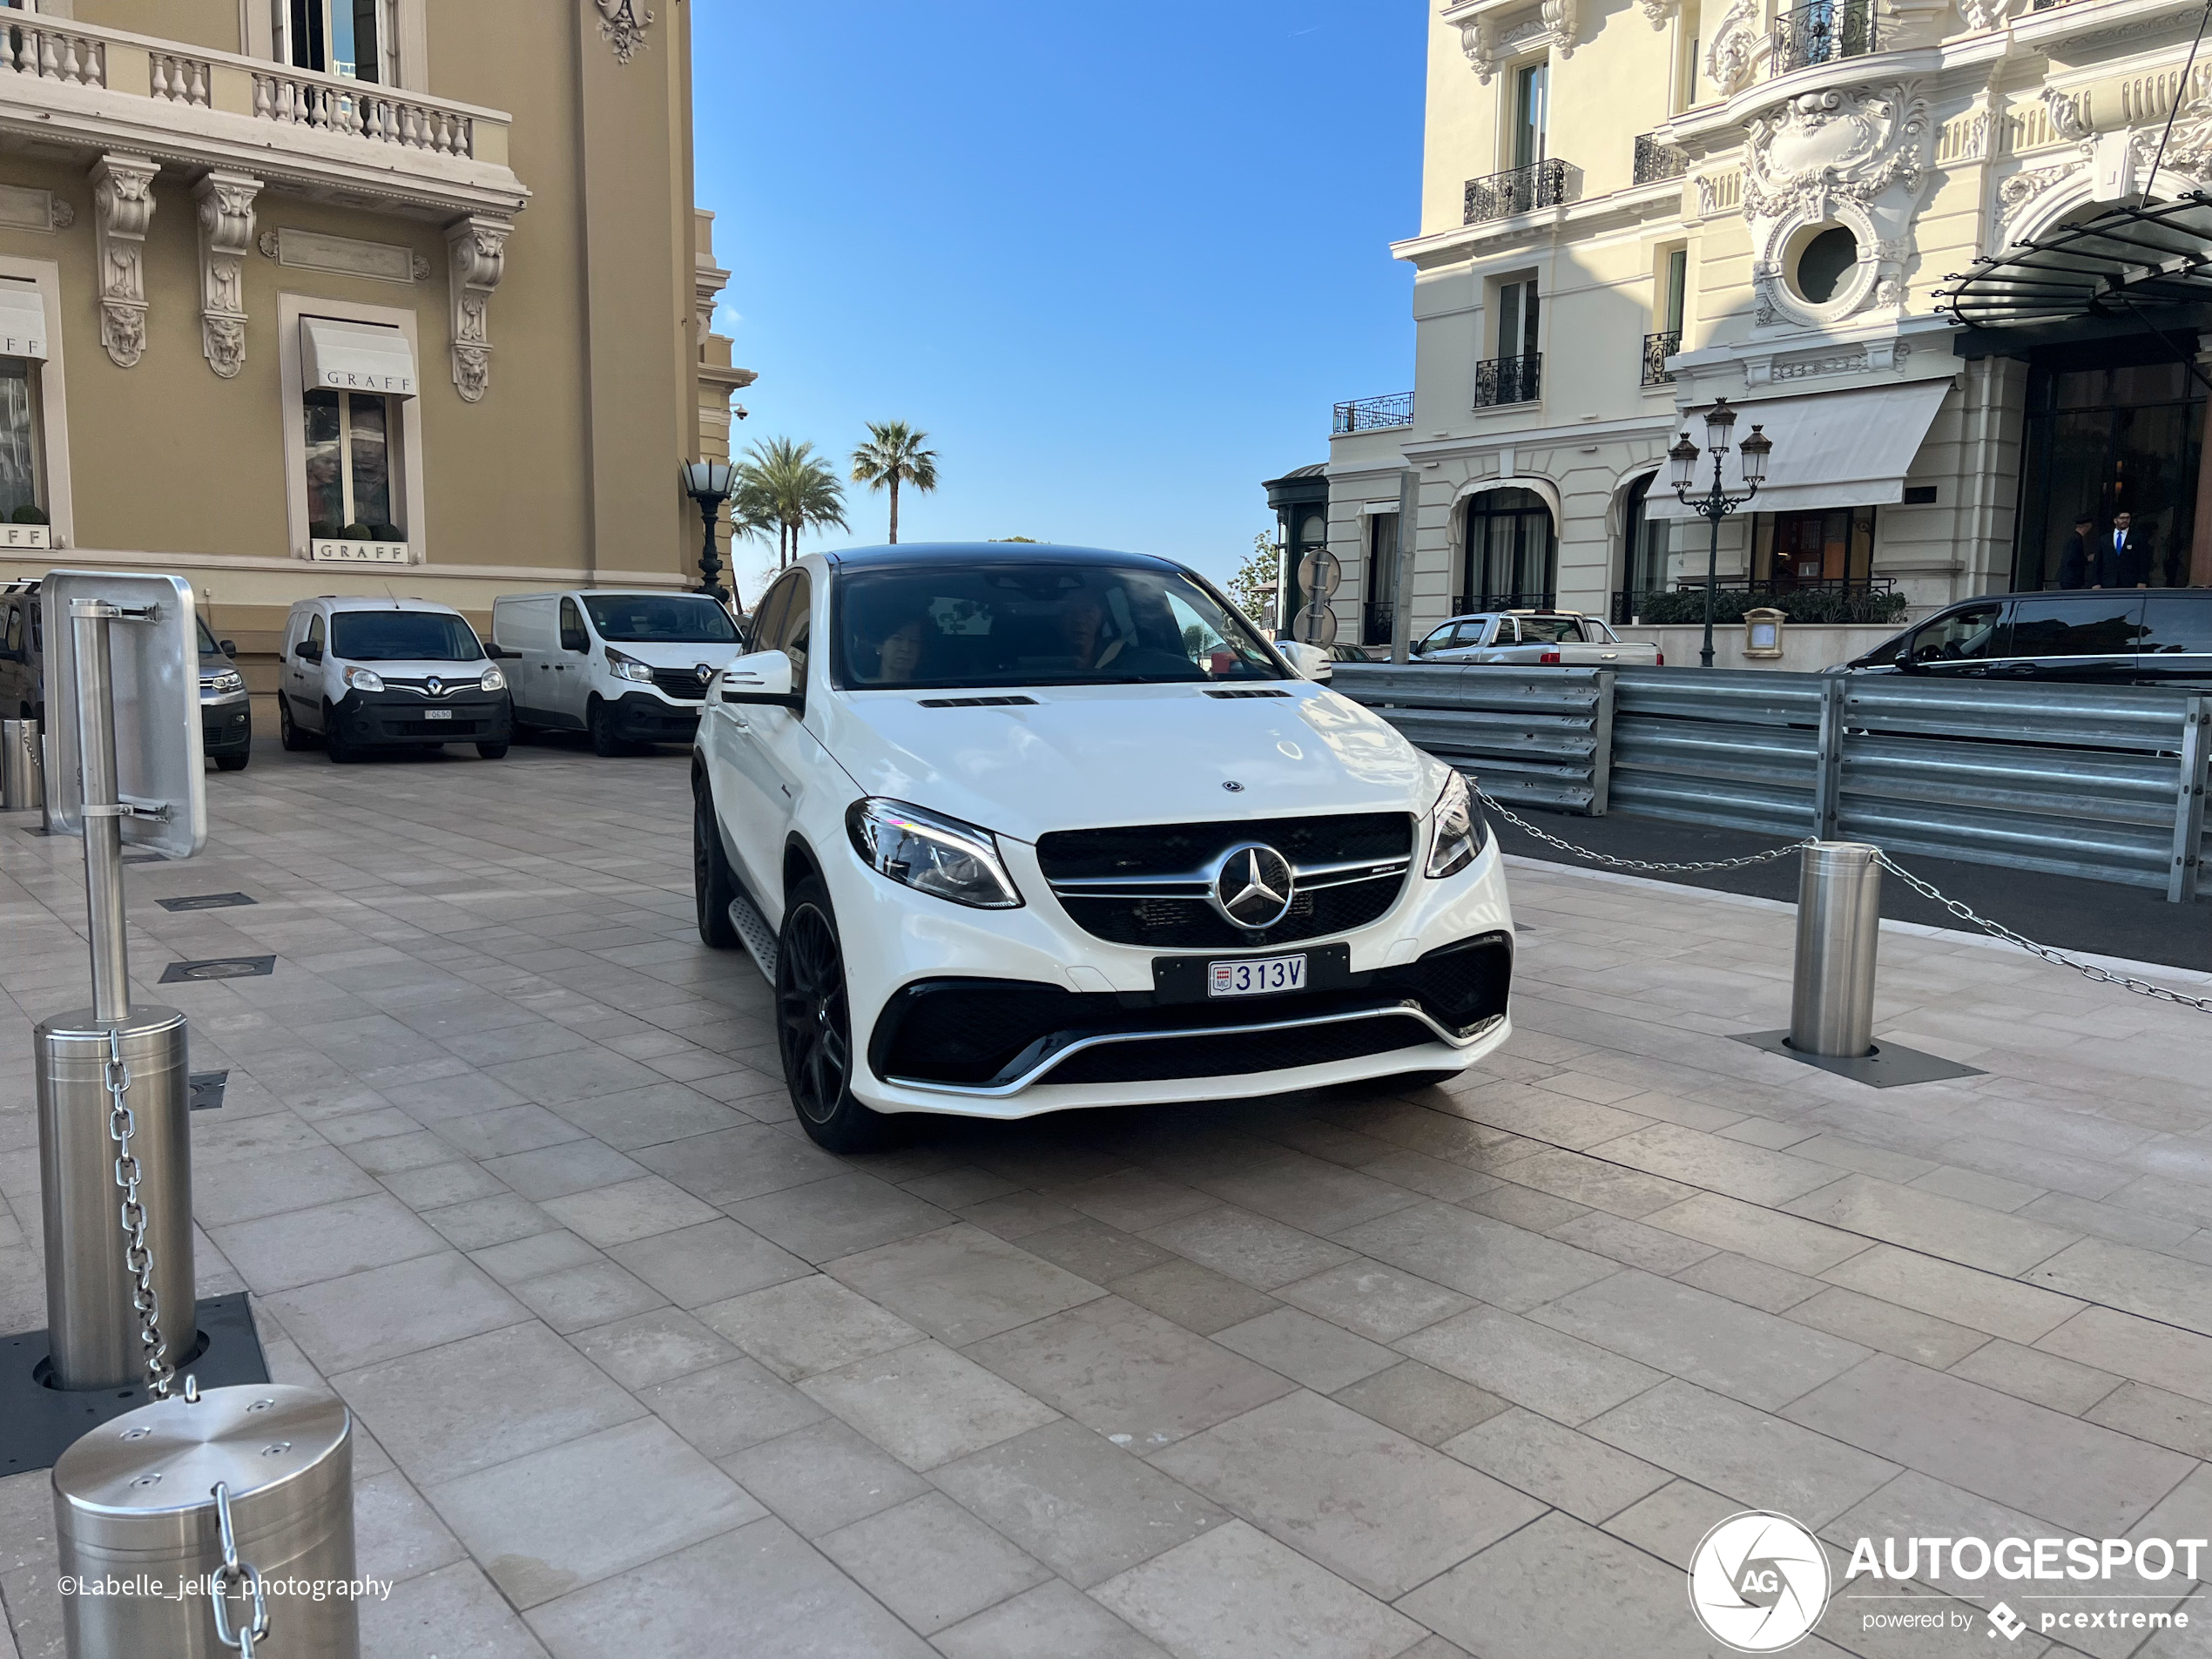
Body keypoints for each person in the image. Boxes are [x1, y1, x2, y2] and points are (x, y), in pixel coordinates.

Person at [2108, 510, 2149, 589]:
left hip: (2130, 582)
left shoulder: (2138, 538)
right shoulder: (2104, 539)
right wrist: (2096, 582)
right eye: (2122, 518)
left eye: (2128, 518)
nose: (2125, 521)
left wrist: (2142, 580)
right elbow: (2099, 562)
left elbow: (2143, 560)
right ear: (2115, 520)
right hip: (2108, 582)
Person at [2057, 514, 2095, 590]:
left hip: (2069, 578)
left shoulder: (2074, 538)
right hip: (2071, 579)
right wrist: (2087, 559)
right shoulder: (2076, 540)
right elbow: (2072, 559)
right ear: (2087, 526)